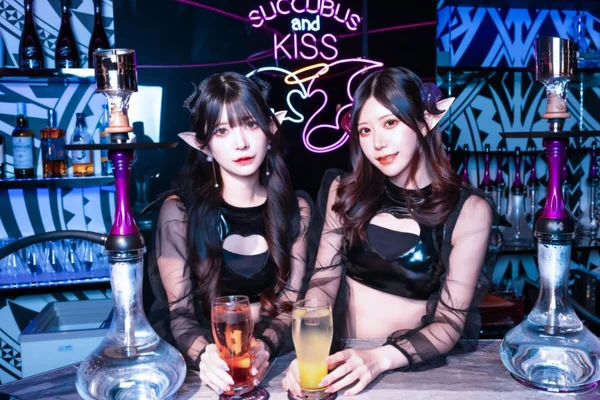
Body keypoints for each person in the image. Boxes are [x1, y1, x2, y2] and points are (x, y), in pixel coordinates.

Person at [282, 67, 495, 397]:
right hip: (343, 363)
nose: (378, 143)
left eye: (390, 123)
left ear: (425, 121)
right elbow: (323, 281)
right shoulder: (345, 192)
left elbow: (450, 322)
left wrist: (379, 359)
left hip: (409, 368)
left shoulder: (468, 211)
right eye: (365, 130)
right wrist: (309, 350)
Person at [146, 72, 312, 395]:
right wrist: (205, 354)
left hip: (277, 364)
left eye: (250, 124)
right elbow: (179, 313)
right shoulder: (179, 213)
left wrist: (264, 346)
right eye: (222, 130)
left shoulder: (296, 209)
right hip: (206, 369)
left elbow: (291, 303)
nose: (241, 143)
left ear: (270, 129)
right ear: (203, 144)